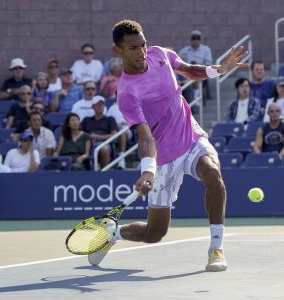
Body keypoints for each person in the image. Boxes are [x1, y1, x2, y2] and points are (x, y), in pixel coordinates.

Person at [86, 19, 248, 272]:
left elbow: (191, 70)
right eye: (133, 48)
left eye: (143, 45)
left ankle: (216, 247)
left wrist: (219, 69)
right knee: (154, 233)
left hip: (190, 137)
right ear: (118, 50)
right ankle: (114, 234)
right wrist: (148, 171)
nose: (141, 53)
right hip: (162, 158)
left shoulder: (159, 54)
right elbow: (146, 136)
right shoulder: (127, 93)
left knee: (213, 174)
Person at [81, 97, 118, 169]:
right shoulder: (86, 120)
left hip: (104, 143)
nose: (100, 106)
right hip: (88, 144)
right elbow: (79, 133)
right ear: (93, 107)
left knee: (104, 148)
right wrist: (89, 137)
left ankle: (104, 173)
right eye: (97, 105)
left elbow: (114, 135)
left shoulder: (110, 119)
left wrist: (98, 137)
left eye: (101, 104)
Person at [178, 30, 213, 99]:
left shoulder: (206, 49)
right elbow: (177, 60)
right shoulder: (185, 50)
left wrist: (197, 65)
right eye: (194, 38)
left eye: (198, 38)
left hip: (201, 71)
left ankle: (196, 96)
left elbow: (209, 64)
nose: (196, 40)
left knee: (196, 73)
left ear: (200, 39)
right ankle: (195, 96)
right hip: (187, 70)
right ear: (190, 40)